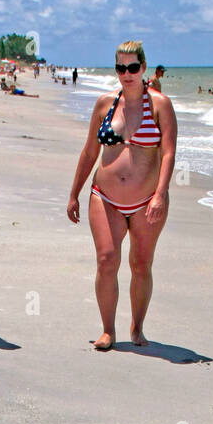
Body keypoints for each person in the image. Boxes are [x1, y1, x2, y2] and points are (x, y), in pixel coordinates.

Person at [67, 40, 176, 351]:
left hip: (146, 200)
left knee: (141, 263)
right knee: (106, 260)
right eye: (120, 68)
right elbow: (90, 152)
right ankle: (107, 330)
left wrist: (160, 194)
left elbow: (168, 154)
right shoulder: (104, 104)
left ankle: (137, 327)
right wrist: (74, 193)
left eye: (132, 68)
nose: (126, 74)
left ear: (143, 68)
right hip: (105, 196)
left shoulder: (160, 105)